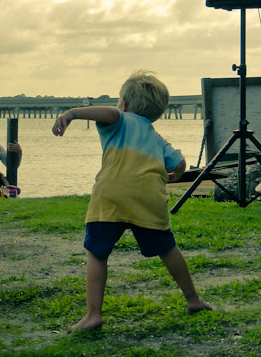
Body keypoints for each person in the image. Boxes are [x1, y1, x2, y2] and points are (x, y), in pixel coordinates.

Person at [52, 70, 211, 331]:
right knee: (167, 248)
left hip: (112, 195)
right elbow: (180, 163)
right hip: (149, 197)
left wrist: (72, 113)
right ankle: (193, 299)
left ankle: (93, 314)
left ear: (124, 103)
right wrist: (175, 175)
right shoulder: (157, 139)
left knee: (97, 253)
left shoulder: (119, 119)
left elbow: (109, 114)